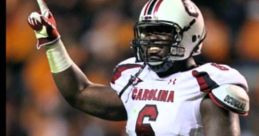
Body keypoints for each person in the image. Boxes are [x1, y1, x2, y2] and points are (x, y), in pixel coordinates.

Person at [27, 0, 250, 135]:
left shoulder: (206, 84)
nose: (151, 40)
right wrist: (53, 45)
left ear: (189, 34)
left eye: (161, 31)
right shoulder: (136, 77)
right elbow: (79, 93)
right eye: (147, 32)